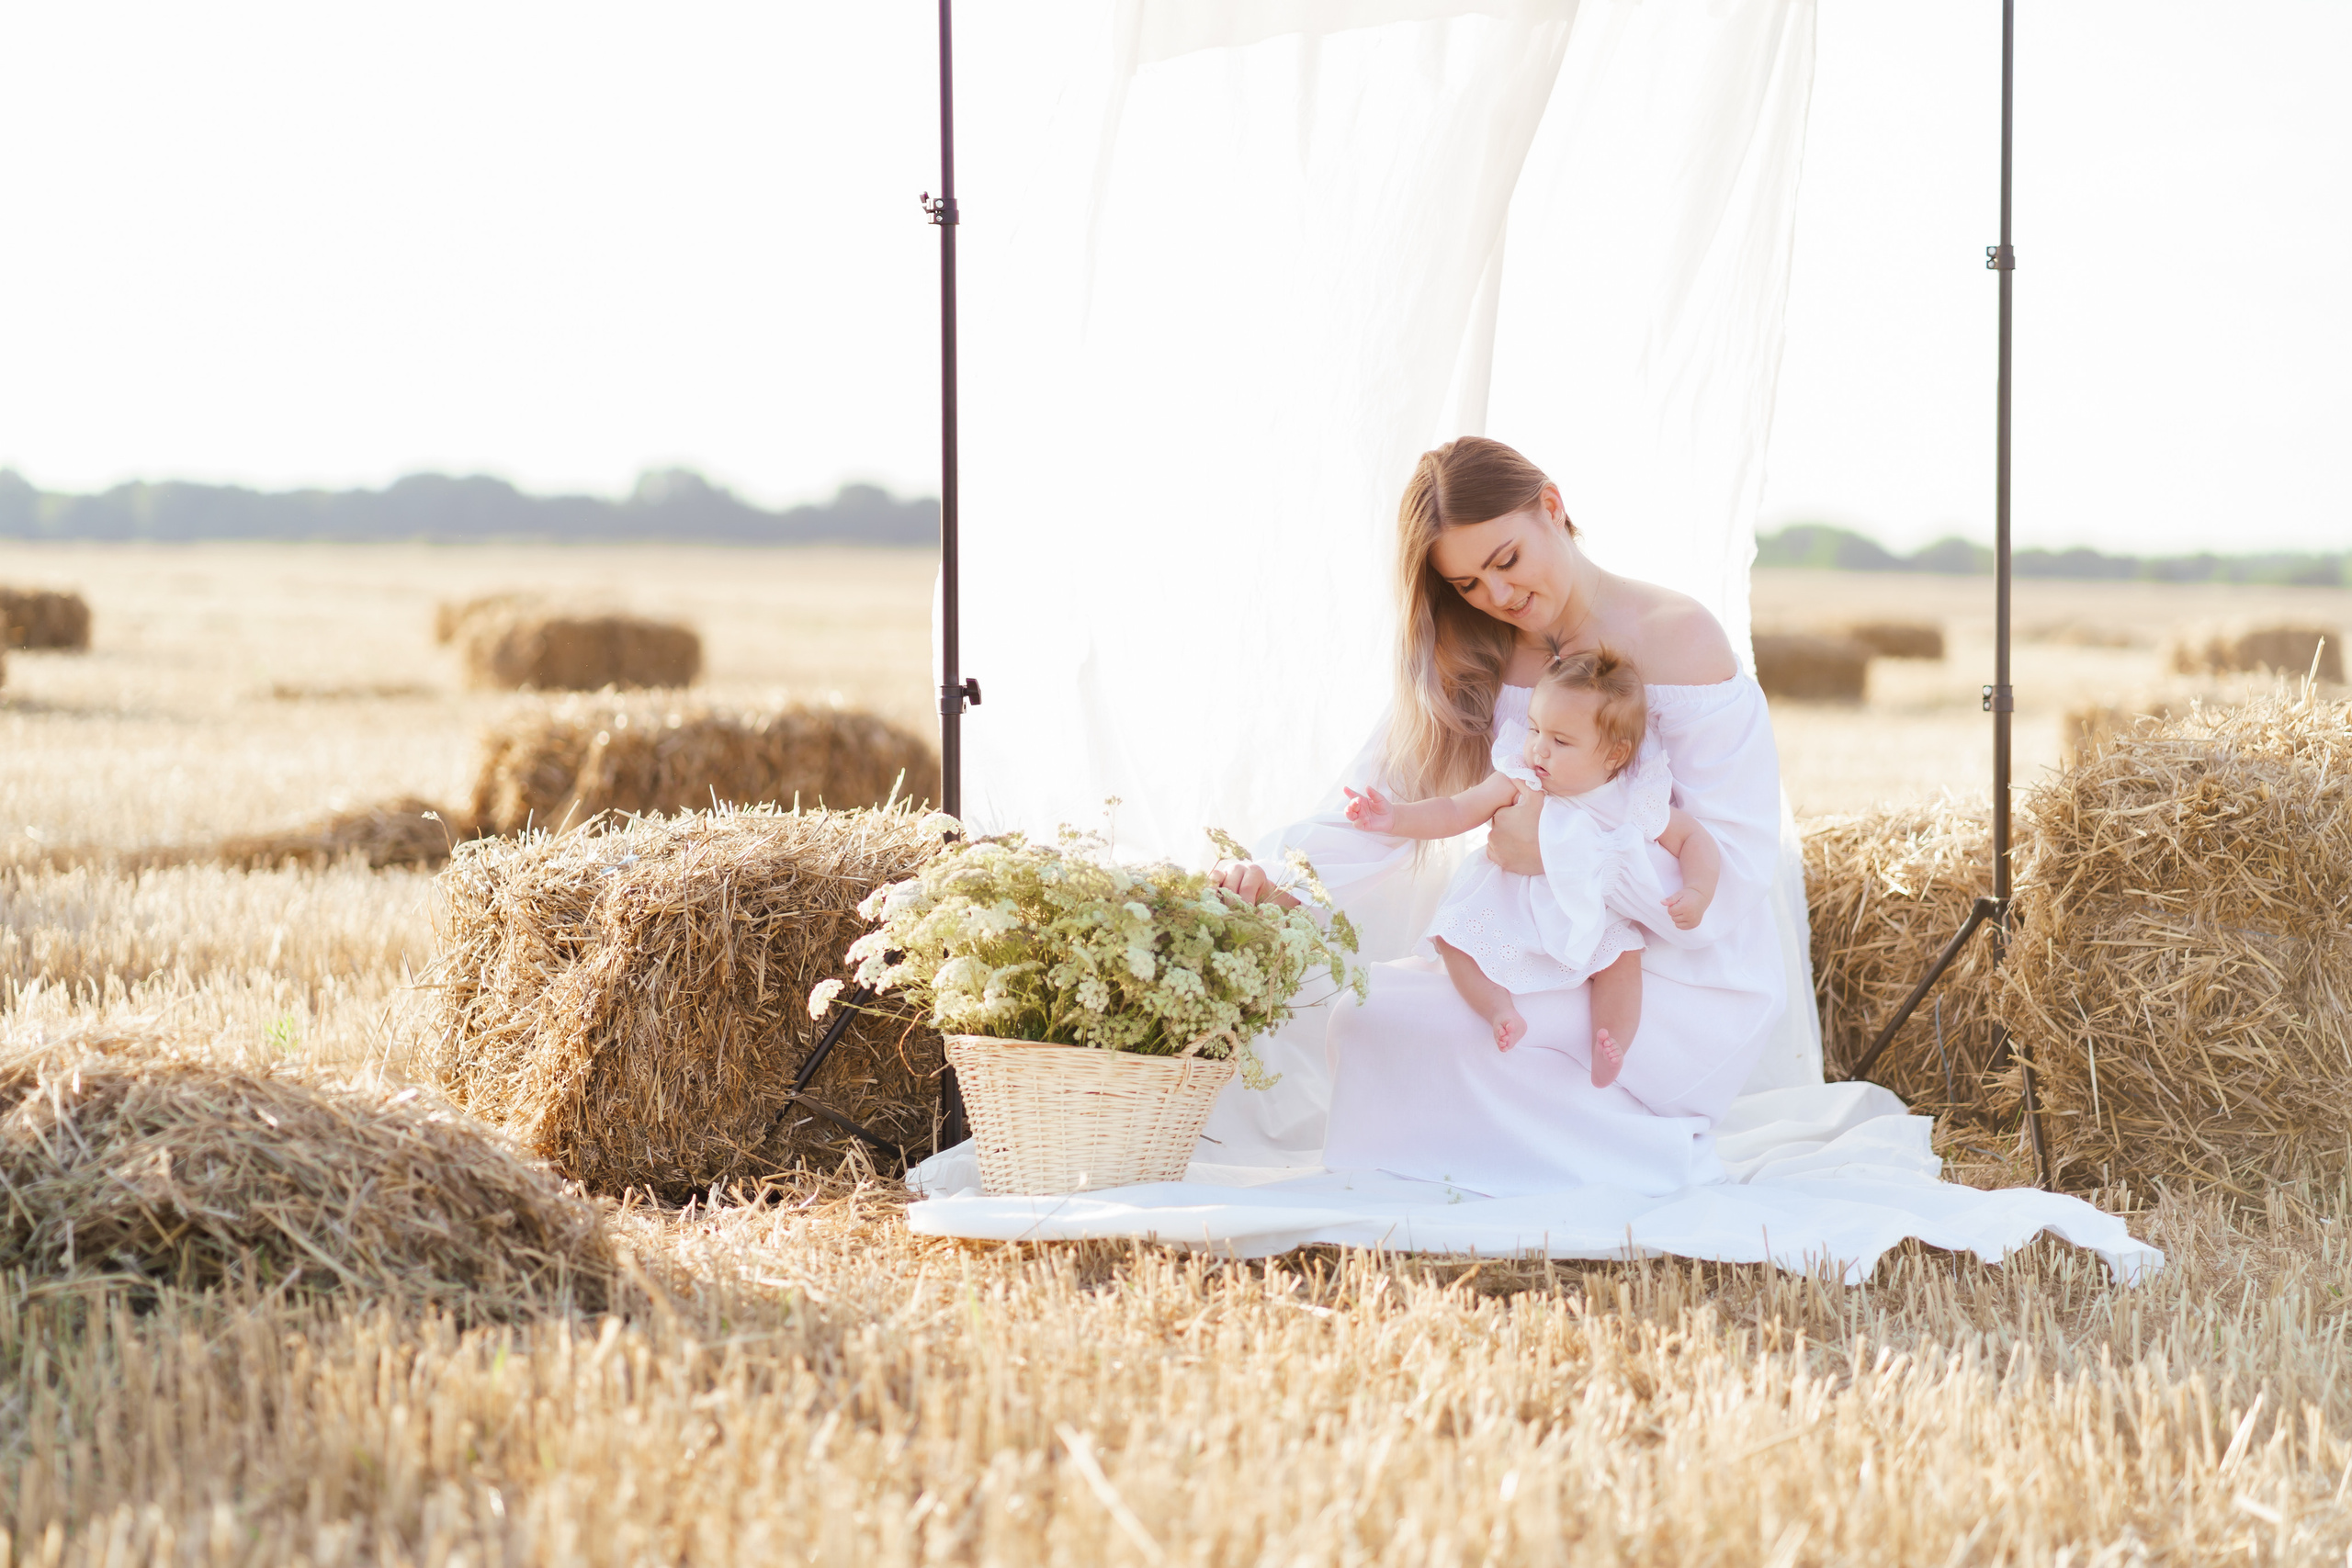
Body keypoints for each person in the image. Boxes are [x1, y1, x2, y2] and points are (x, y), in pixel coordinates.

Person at [1207, 435, 1787, 1198]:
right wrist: (1277, 877)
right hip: (1537, 945)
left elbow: (1735, 870)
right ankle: (1491, 1168)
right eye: (1470, 583)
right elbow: (1379, 801)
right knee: (1366, 1017)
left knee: (1436, 1030)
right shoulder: (1476, 652)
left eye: (1507, 560)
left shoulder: (1680, 637)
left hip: (1663, 970)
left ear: (1552, 506)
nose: (1498, 596)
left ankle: (1644, 1156)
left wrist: (1556, 850)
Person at [1340, 643, 1722, 1089]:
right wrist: (1396, 818)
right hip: (1507, 904)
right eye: (1536, 729)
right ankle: (1498, 1009)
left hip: (1585, 915)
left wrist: (1698, 891)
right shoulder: (1518, 777)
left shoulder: (1629, 802)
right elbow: (1454, 810)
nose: (1539, 749)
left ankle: (1612, 1041)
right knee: (1455, 939)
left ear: (1615, 755)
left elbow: (1696, 838)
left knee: (1622, 958)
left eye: (1560, 741)